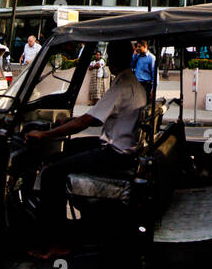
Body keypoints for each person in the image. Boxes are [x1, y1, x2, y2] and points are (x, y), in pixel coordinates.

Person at [27, 42, 147, 255]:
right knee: (67, 149)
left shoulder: (121, 86)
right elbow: (96, 117)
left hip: (114, 154)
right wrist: (65, 125)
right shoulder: (134, 83)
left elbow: (88, 121)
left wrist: (45, 134)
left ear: (113, 60)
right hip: (122, 148)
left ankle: (58, 242)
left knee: (51, 174)